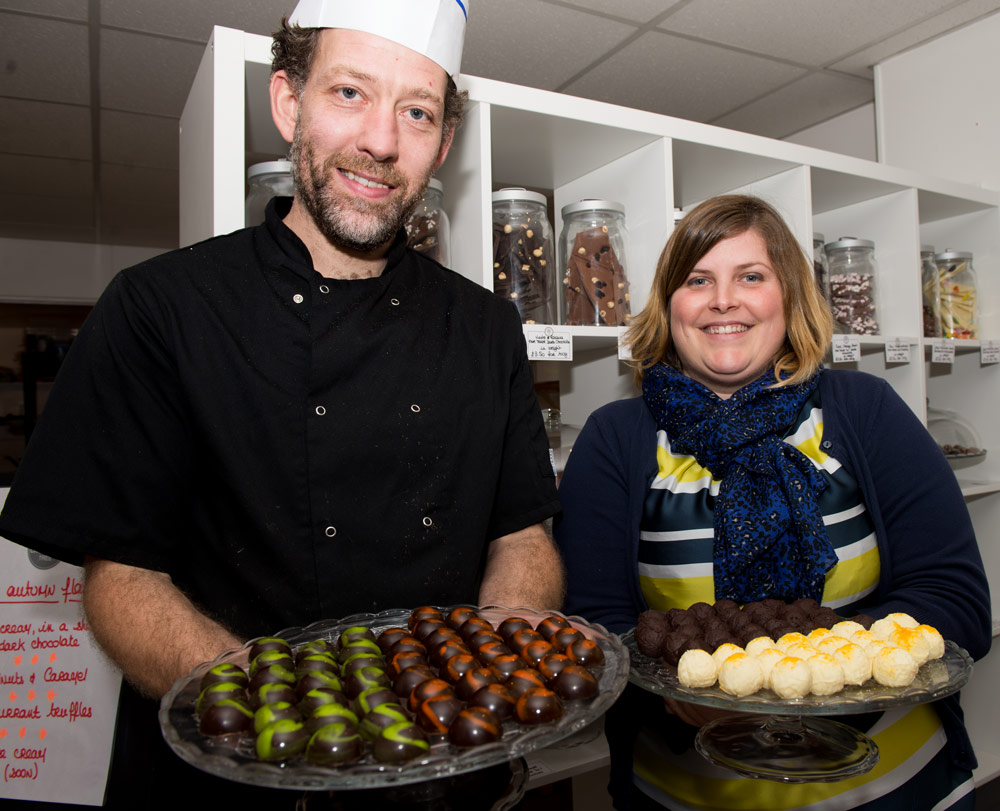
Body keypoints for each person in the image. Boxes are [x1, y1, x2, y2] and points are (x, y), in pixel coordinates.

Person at [0, 0, 563, 806]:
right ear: (287, 102)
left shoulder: (485, 326)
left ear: (441, 145)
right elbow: (119, 578)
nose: (379, 140)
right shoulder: (160, 309)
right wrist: (287, 711)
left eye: (416, 111)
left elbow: (523, 532)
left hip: (448, 772)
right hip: (227, 779)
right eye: (349, 93)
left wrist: (490, 663)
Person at [555, 194, 991, 810]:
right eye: (697, 280)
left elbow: (955, 600)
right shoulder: (616, 437)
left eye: (751, 277)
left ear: (789, 295)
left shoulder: (864, 411)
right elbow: (593, 626)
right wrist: (683, 688)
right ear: (669, 305)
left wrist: (820, 670)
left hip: (893, 786)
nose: (723, 300)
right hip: (686, 792)